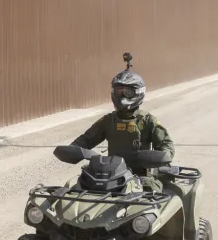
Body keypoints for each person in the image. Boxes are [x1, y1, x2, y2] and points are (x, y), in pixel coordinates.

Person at [71, 53, 176, 194]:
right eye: (119, 91)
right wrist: (73, 149)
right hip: (109, 175)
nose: (122, 96)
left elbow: (166, 144)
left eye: (127, 92)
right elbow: (87, 139)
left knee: (152, 199)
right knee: (76, 191)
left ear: (138, 93)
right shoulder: (108, 120)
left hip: (140, 177)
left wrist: (161, 156)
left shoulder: (147, 120)